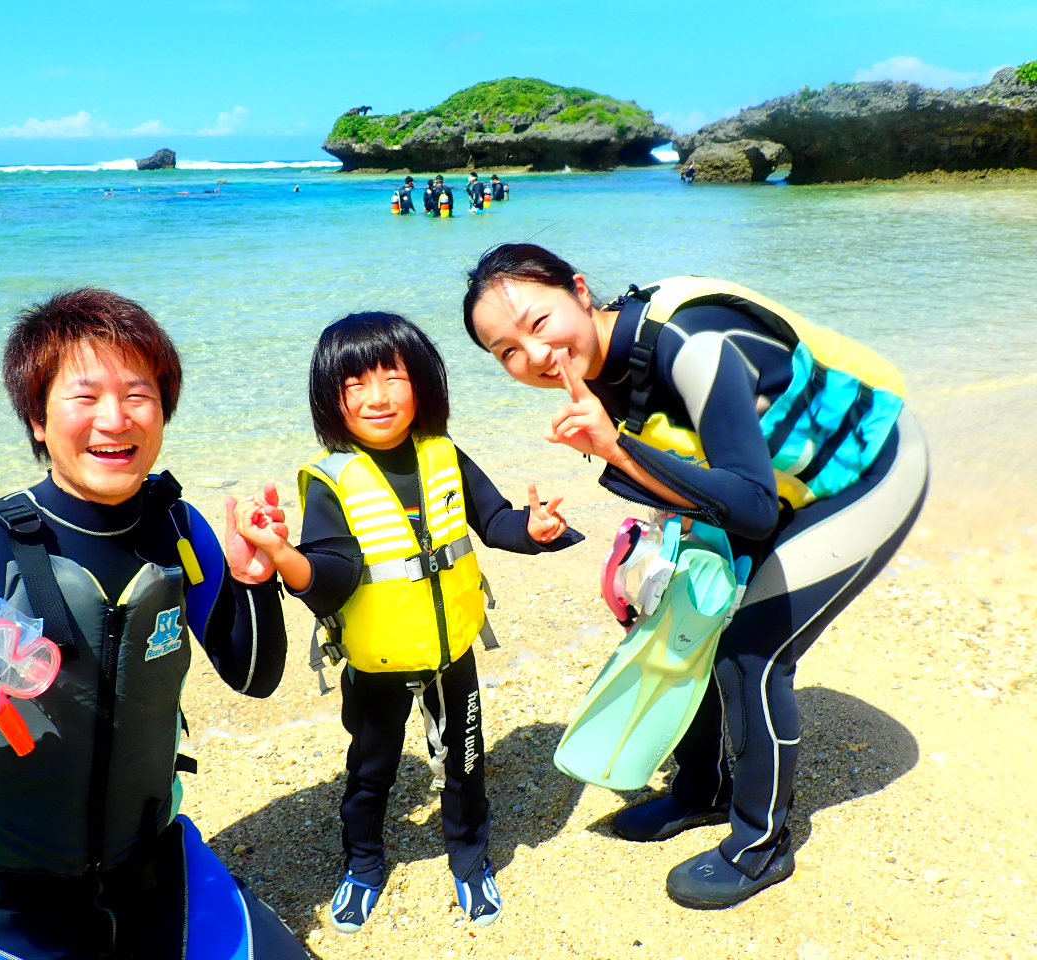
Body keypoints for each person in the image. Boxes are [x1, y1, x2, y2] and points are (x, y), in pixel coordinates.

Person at [462, 243, 928, 909]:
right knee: (681, 615)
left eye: (538, 323)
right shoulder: (598, 369)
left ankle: (760, 844)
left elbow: (754, 509)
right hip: (783, 483)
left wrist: (617, 448)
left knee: (749, 652)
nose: (534, 355)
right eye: (506, 351)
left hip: (866, 467)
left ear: (580, 291)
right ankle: (700, 789)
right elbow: (701, 479)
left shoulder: (692, 344)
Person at [0, 288, 308, 958]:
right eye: (85, 396)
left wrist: (252, 581)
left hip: (153, 872)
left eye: (138, 395)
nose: (115, 420)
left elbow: (255, 676)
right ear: (37, 419)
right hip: (5, 900)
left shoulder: (178, 528)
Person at [228, 312, 582, 935]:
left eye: (393, 377)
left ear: (422, 383)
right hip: (376, 664)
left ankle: (470, 860)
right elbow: (332, 575)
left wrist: (534, 529)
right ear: (330, 399)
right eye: (355, 384)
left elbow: (494, 520)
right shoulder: (332, 480)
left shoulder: (443, 454)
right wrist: (282, 555)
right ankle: (364, 865)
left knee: (465, 764)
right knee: (371, 771)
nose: (378, 397)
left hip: (450, 655)